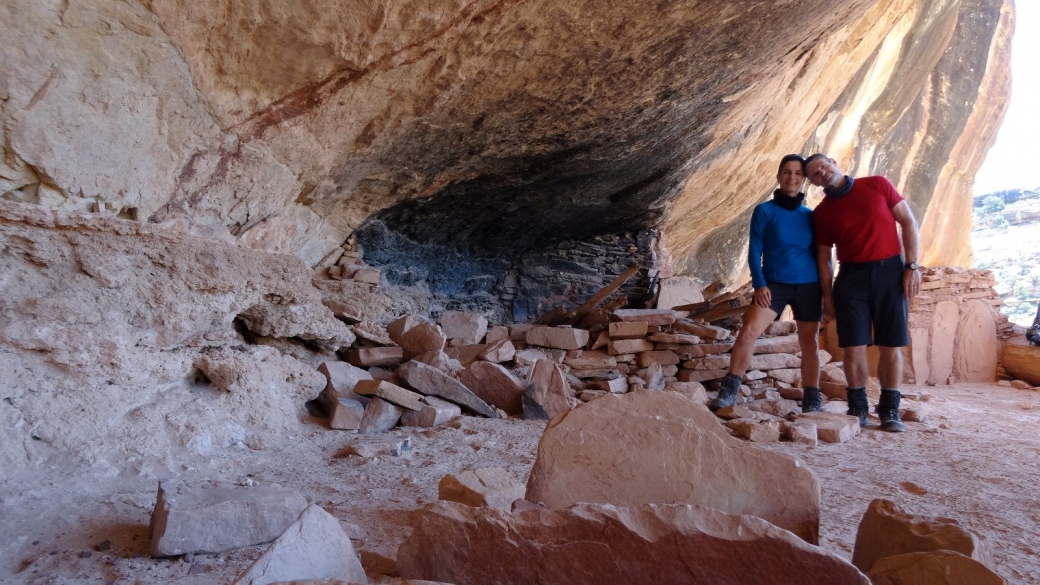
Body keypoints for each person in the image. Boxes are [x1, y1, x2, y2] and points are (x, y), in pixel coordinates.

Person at [803, 153, 921, 433]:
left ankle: (890, 409)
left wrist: (912, 266)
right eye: (815, 175)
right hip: (852, 277)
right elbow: (823, 258)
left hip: (890, 272)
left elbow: (908, 222)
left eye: (823, 166)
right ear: (814, 183)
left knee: (891, 344)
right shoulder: (822, 213)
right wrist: (827, 298)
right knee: (853, 345)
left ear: (833, 161)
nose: (822, 173)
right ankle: (858, 407)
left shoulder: (877, 184)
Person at [710, 155, 823, 413]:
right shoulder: (765, 211)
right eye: (786, 172)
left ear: (804, 179)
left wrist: (826, 290)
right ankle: (729, 391)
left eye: (797, 173)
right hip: (774, 285)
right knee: (749, 331)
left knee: (810, 342)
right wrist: (760, 284)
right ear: (778, 176)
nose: (791, 177)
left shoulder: (810, 215)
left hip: (808, 285)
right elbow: (755, 250)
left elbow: (820, 253)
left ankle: (812, 397)